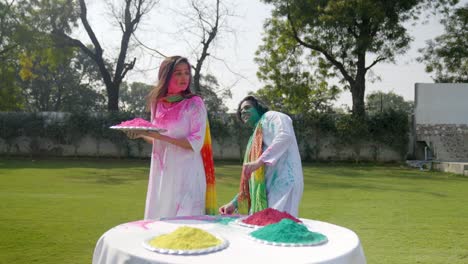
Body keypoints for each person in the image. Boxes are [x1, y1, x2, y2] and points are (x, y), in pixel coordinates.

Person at [126, 56, 216, 219]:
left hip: (187, 174)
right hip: (162, 175)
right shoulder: (157, 103)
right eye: (178, 73)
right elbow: (157, 141)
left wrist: (158, 135)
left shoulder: (194, 103)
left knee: (185, 228)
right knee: (160, 226)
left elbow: (195, 143)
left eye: (187, 73)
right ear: (165, 76)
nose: (184, 78)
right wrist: (141, 134)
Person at [219, 96, 304, 217]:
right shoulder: (255, 137)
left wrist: (259, 161)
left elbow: (285, 135)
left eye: (247, 107)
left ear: (258, 108)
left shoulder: (271, 116)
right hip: (269, 188)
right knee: (266, 227)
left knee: (278, 227)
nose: (243, 111)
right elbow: (253, 178)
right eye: (241, 110)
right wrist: (234, 203)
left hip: (285, 182)